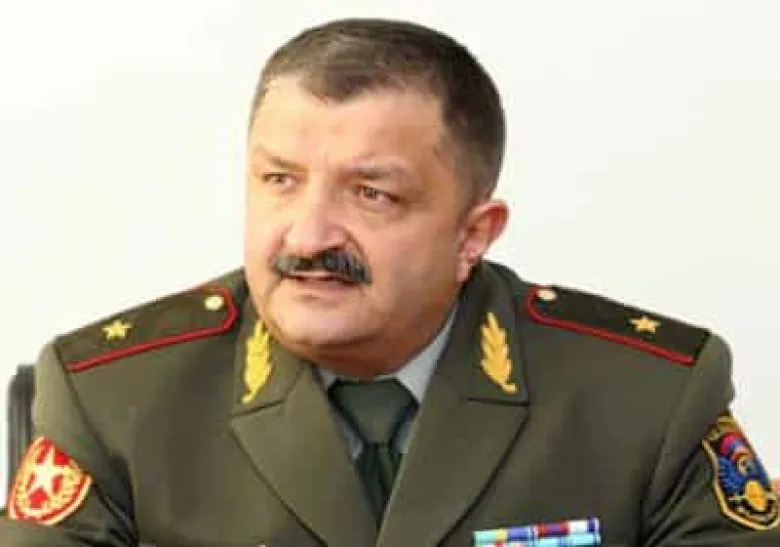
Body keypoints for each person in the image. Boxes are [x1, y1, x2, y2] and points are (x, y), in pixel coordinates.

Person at [1, 17, 777, 547]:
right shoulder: (113, 402)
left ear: (473, 234)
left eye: (371, 193)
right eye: (279, 179)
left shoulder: (648, 402)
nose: (308, 235)